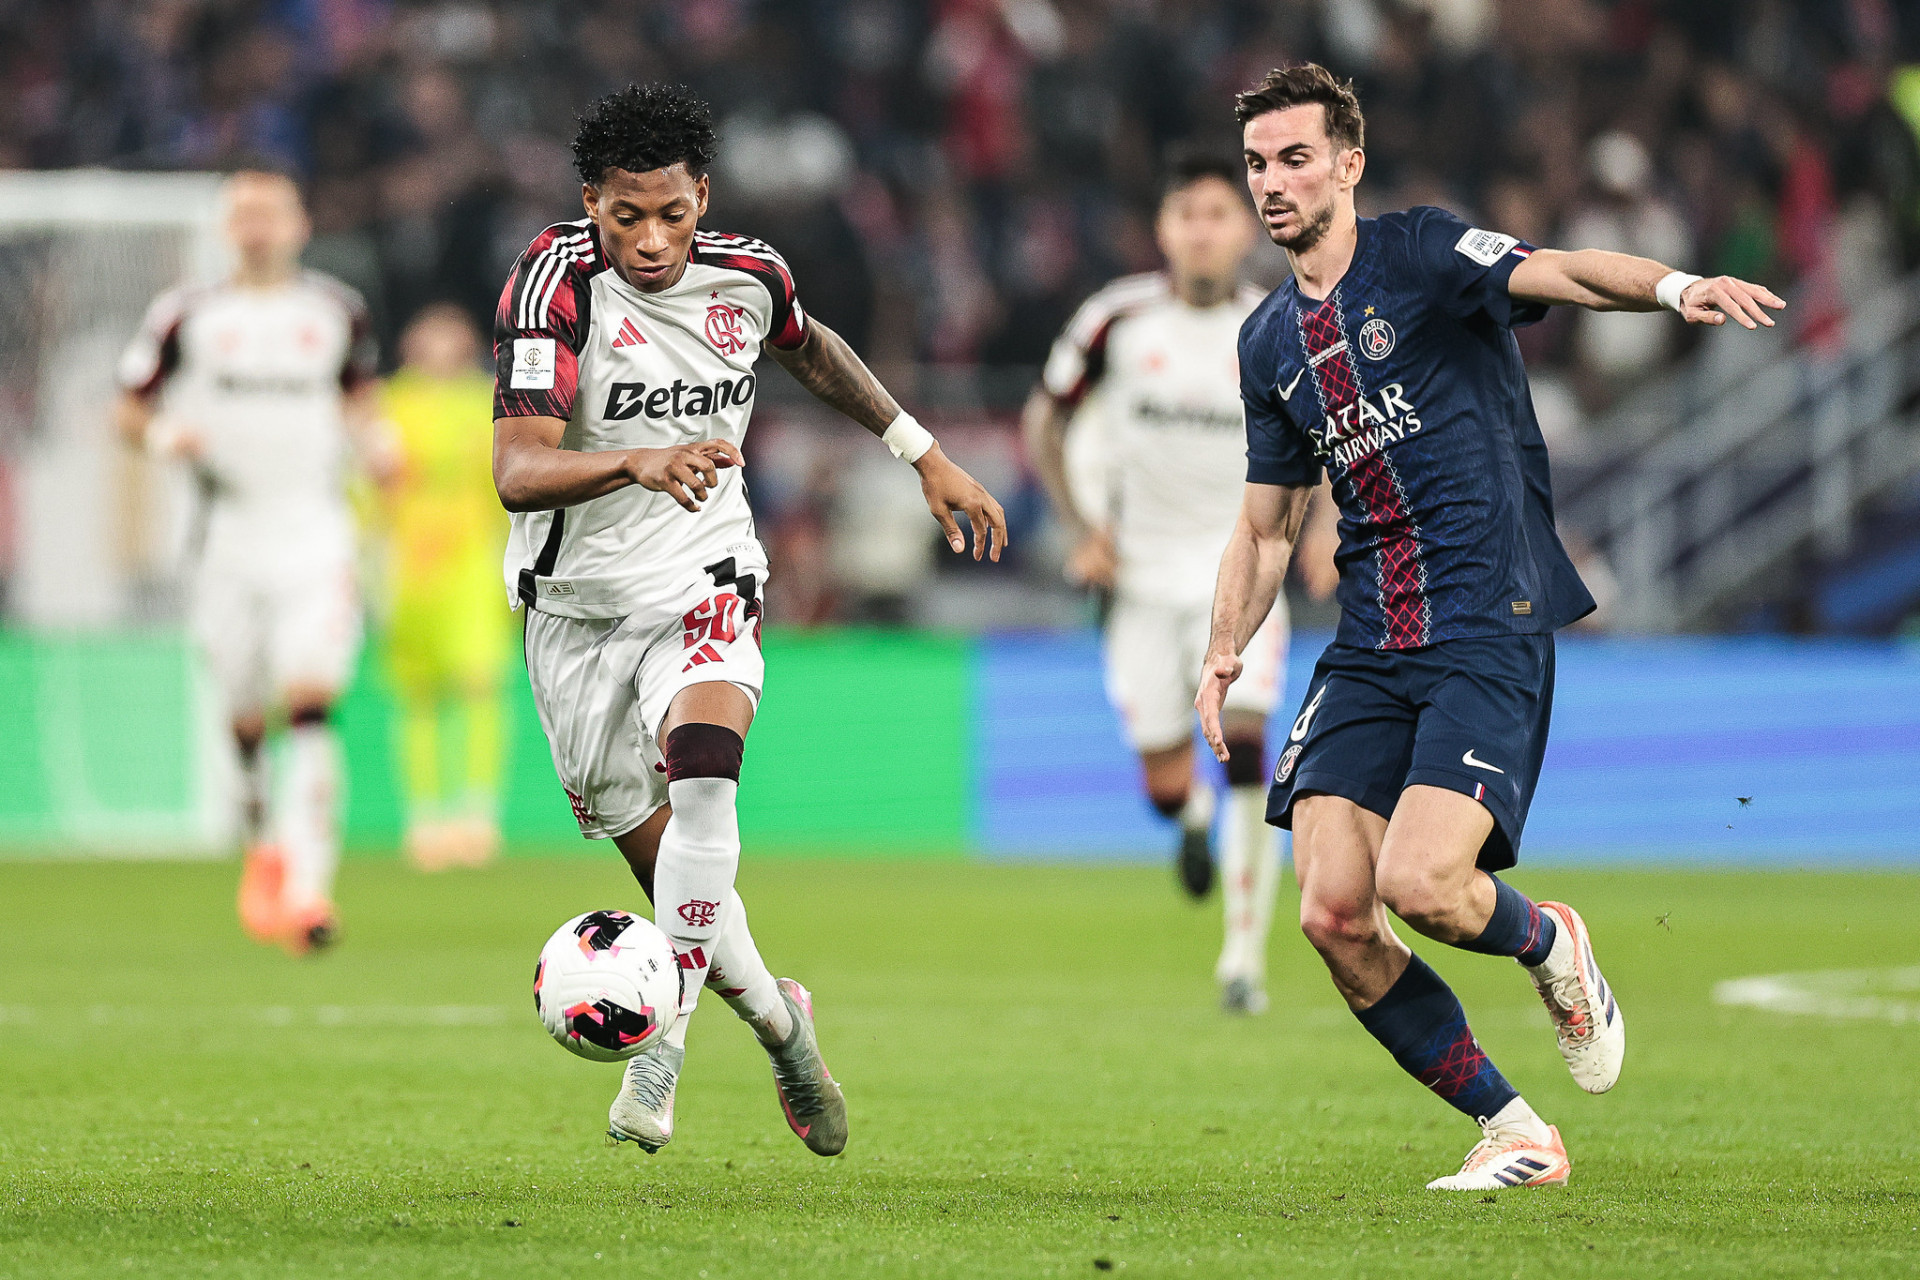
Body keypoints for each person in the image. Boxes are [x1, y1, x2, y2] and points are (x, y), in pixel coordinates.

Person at [1196, 65, 1783, 1190]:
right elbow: (1268, 524)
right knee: (1329, 911)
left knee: (1423, 885)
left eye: (1297, 158)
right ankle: (1515, 1127)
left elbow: (1551, 270)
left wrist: (1673, 287)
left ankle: (1549, 941)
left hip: (1486, 616)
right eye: (1260, 163)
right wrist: (1225, 646)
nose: (1274, 183)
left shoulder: (1419, 254)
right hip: (1370, 639)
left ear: (1349, 163)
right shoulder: (1269, 342)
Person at [490, 83, 1008, 1158]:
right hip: (577, 614)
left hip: (706, 569)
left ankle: (660, 1050)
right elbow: (517, 468)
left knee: (708, 774)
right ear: (591, 202)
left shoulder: (749, 273)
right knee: (677, 872)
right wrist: (636, 456)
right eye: (625, 214)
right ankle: (782, 1026)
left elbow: (810, 347)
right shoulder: (552, 286)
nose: (649, 238)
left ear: (702, 197)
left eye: (671, 213)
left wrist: (924, 451)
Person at [1024, 153, 1299, 1014]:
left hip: (1243, 574)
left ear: (1244, 228)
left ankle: (1242, 962)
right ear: (1164, 230)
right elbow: (1044, 416)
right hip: (1139, 582)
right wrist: (1080, 530)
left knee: (1251, 751)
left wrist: (1317, 536)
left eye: (1220, 214)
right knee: (1167, 781)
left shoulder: (1276, 323)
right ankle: (1187, 822)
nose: (1204, 230)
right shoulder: (1118, 320)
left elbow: (1326, 442)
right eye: (1188, 214)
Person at [115, 169, 387, 956]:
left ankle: (308, 888)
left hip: (315, 533)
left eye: (272, 211)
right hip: (225, 540)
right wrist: (163, 436)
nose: (258, 225)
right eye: (244, 213)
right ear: (225, 228)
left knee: (309, 700)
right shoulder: (187, 315)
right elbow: (129, 406)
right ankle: (261, 838)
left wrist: (378, 446)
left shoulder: (334, 311)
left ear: (301, 222)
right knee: (242, 711)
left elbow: (357, 402)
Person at [378, 303, 511, 871]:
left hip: (474, 561)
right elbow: (366, 487)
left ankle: (477, 815)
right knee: (419, 693)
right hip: (407, 563)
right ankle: (425, 819)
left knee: (479, 685)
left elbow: (508, 487)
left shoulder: (489, 402)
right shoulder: (390, 405)